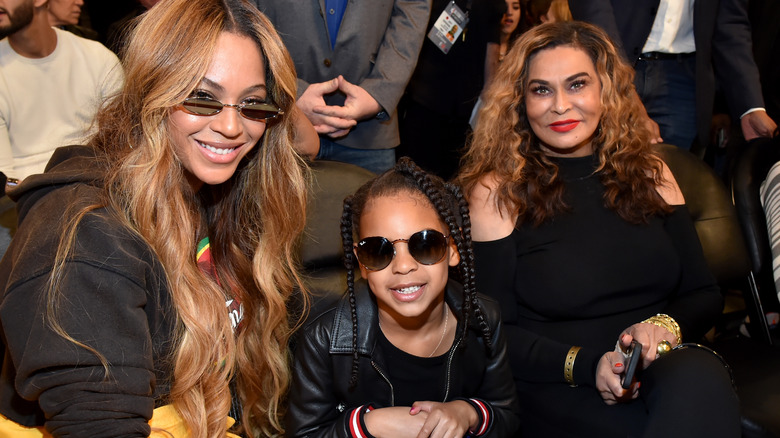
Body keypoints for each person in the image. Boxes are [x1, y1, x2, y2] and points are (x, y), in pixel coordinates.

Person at [0, 0, 311, 436]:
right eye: (203, 99)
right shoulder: (85, 239)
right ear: (152, 92)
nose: (232, 127)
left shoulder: (214, 195)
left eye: (253, 105)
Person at [458, 21, 740, 437]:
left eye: (576, 85)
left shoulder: (651, 171)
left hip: (662, 369)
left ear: (605, 90)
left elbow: (703, 293)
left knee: (698, 375)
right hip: (560, 381)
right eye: (541, 89)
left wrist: (664, 328)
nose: (559, 105)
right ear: (519, 101)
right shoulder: (498, 192)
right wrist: (590, 366)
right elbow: (492, 333)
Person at [285, 158, 521, 437]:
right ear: (361, 262)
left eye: (425, 244)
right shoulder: (324, 340)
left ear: (453, 249)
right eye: (378, 250)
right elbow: (305, 432)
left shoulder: (483, 318)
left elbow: (507, 414)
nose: (404, 266)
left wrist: (467, 413)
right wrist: (369, 425)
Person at [568, 0, 777, 155]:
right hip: (609, 64)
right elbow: (592, 5)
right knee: (597, 173)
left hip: (682, 80)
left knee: (670, 189)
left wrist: (751, 106)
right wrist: (619, 80)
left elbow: (730, 23)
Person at [251, 0, 429, 174]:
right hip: (277, 123)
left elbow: (413, 4)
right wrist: (292, 92)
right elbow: (240, 12)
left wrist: (379, 93)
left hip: (371, 132)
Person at [396, 0, 506, 180]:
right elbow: (491, 54)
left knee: (429, 176)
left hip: (446, 103)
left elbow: (492, 50)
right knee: (432, 176)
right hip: (432, 100)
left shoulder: (491, 5)